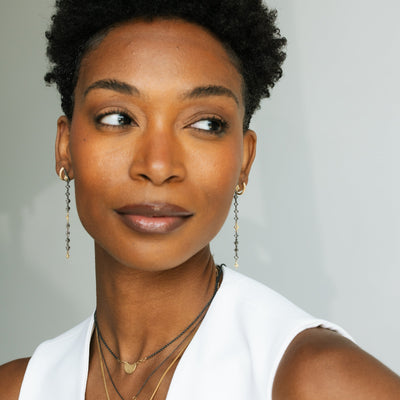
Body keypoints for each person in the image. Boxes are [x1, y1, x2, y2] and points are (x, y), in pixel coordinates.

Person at [1, 0, 400, 399]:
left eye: (206, 124)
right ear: (65, 147)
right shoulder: (18, 388)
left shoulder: (319, 380)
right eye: (118, 118)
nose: (158, 166)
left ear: (244, 160)